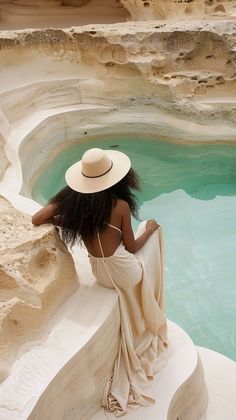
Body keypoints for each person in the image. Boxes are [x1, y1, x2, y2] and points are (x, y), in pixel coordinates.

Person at [32, 147, 167, 415]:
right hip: (125, 274)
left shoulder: (72, 202)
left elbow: (37, 219)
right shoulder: (119, 206)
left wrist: (69, 220)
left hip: (101, 274)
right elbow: (131, 247)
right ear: (117, 179)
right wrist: (150, 229)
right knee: (154, 234)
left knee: (145, 240)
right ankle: (154, 308)